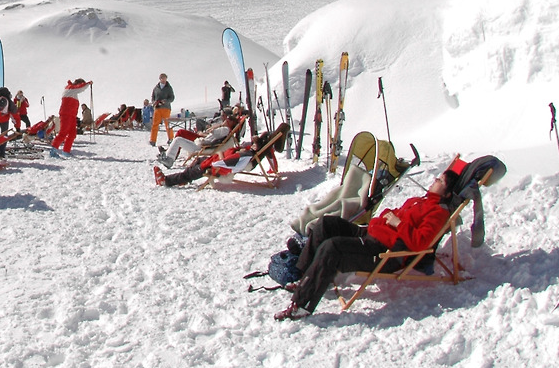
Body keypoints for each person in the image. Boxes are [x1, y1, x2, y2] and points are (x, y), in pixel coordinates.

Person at [274, 170, 455, 320]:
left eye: (440, 181)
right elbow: (393, 212)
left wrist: (398, 223)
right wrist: (390, 217)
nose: (434, 180)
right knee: (326, 224)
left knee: (332, 247)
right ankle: (305, 278)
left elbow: (421, 242)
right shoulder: (419, 200)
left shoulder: (437, 212)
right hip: (371, 234)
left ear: (447, 193)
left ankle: (302, 305)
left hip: (384, 252)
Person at [154, 124, 288, 187]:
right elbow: (268, 151)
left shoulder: (245, 155)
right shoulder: (248, 151)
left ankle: (166, 180)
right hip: (216, 158)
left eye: (254, 144)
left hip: (216, 164)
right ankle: (184, 179)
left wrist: (217, 158)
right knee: (198, 161)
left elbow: (226, 163)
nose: (252, 144)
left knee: (196, 169)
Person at [51, 79, 91, 153]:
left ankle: (66, 151)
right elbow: (81, 88)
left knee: (72, 134)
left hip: (72, 115)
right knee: (63, 132)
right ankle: (53, 150)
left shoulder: (73, 92)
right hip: (66, 114)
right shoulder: (70, 88)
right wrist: (88, 84)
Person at [149, 73, 175, 147]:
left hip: (166, 108)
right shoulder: (156, 88)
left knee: (168, 124)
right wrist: (154, 102)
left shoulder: (169, 88)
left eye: (164, 78)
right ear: (160, 79)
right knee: (155, 124)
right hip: (157, 108)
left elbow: (172, 98)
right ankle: (153, 140)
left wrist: (165, 101)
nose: (163, 79)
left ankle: (171, 139)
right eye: (162, 78)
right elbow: (153, 97)